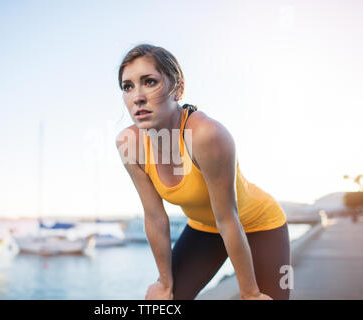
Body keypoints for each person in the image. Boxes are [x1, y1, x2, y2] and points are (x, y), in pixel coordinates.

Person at [115, 44, 291, 300]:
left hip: (258, 224)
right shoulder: (129, 144)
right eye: (128, 86)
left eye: (149, 82)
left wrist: (250, 294)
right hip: (205, 227)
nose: (137, 96)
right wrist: (164, 283)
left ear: (178, 89)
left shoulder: (206, 135)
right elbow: (154, 218)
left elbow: (229, 218)